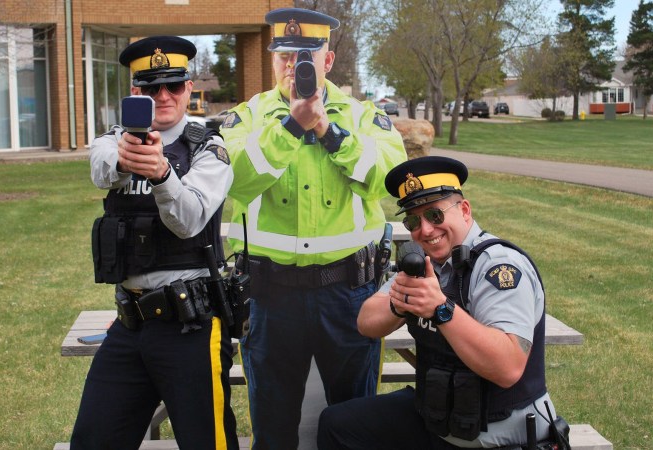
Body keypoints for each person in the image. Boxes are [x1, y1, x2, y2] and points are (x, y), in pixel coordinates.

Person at [219, 7, 407, 449]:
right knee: (273, 426)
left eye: (306, 55)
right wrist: (290, 128)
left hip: (348, 293)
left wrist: (325, 127)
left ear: (327, 61)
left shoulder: (363, 117)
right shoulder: (246, 118)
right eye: (284, 55)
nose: (293, 65)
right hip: (268, 295)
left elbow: (392, 179)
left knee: (352, 422)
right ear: (272, 60)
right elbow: (234, 180)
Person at [317, 156, 559, 449]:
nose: (425, 230)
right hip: (439, 420)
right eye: (413, 221)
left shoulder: (498, 267)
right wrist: (400, 303)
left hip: (496, 436)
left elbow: (507, 367)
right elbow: (366, 322)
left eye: (434, 215)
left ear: (465, 210)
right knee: (338, 425)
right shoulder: (427, 265)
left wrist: (441, 309)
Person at [71, 35, 239, 450]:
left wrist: (163, 175)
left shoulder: (209, 148)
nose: (163, 96)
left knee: (209, 443)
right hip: (128, 326)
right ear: (136, 93)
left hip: (190, 326)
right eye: (150, 88)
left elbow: (188, 221)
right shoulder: (114, 141)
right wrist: (128, 157)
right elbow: (101, 170)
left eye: (174, 85)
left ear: (188, 90)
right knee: (93, 440)